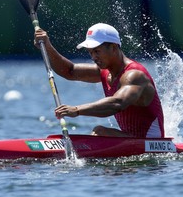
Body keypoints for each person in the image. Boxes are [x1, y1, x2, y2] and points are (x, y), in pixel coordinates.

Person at [34, 22, 165, 138]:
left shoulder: (134, 75)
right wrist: (48, 47)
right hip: (131, 139)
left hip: (151, 143)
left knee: (100, 131)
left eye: (97, 51)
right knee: (100, 132)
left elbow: (117, 104)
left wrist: (77, 110)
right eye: (90, 52)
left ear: (113, 47)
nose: (93, 57)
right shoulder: (105, 71)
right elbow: (70, 71)